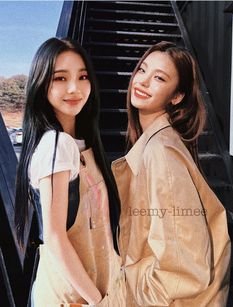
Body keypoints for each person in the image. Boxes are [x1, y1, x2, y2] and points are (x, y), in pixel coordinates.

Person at [112, 41, 231, 306]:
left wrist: (125, 296)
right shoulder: (158, 144)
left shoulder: (160, 153)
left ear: (176, 96)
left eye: (159, 78)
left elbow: (183, 271)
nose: (142, 82)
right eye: (142, 70)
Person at [14, 37, 125, 306]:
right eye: (60, 78)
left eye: (82, 76)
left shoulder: (81, 144)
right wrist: (98, 301)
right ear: (41, 85)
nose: (75, 88)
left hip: (90, 290)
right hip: (73, 297)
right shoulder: (57, 144)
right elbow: (54, 238)